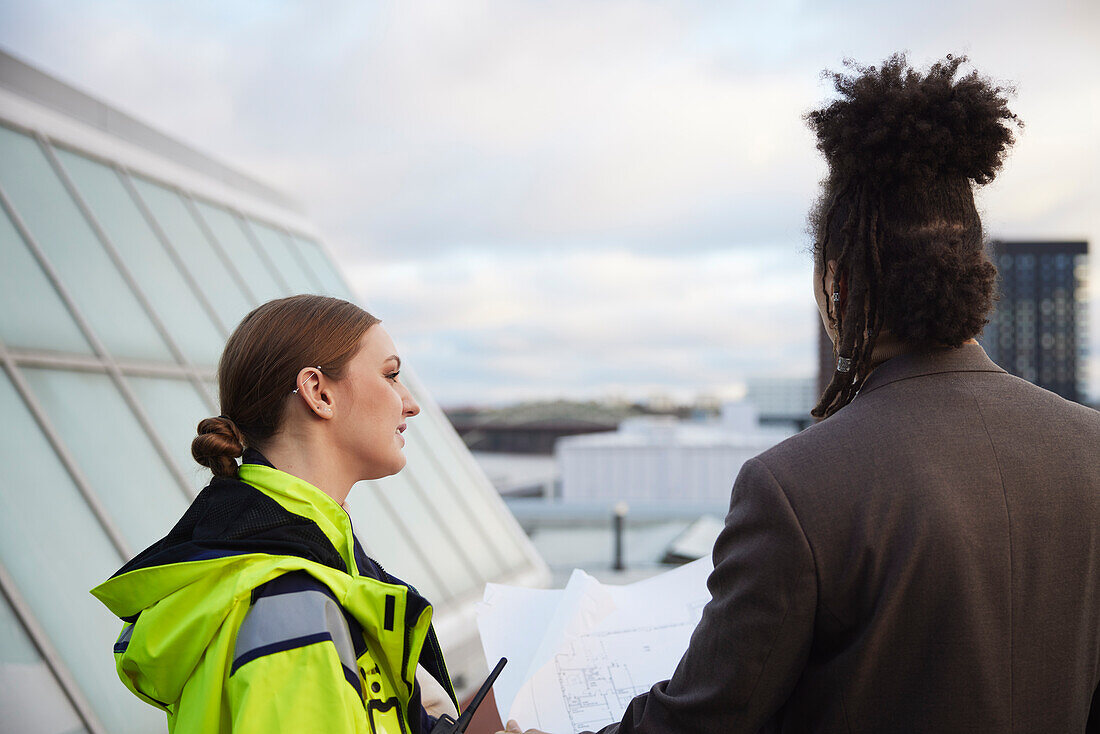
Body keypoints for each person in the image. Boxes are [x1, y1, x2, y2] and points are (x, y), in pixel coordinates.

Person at [501, 54, 1100, 733]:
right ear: (975, 268)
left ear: (838, 285)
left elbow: (704, 721)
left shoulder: (796, 489)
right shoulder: (1092, 448)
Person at [92, 294, 460, 733]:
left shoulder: (283, 570)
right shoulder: (290, 602)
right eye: (391, 375)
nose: (410, 402)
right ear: (318, 393)